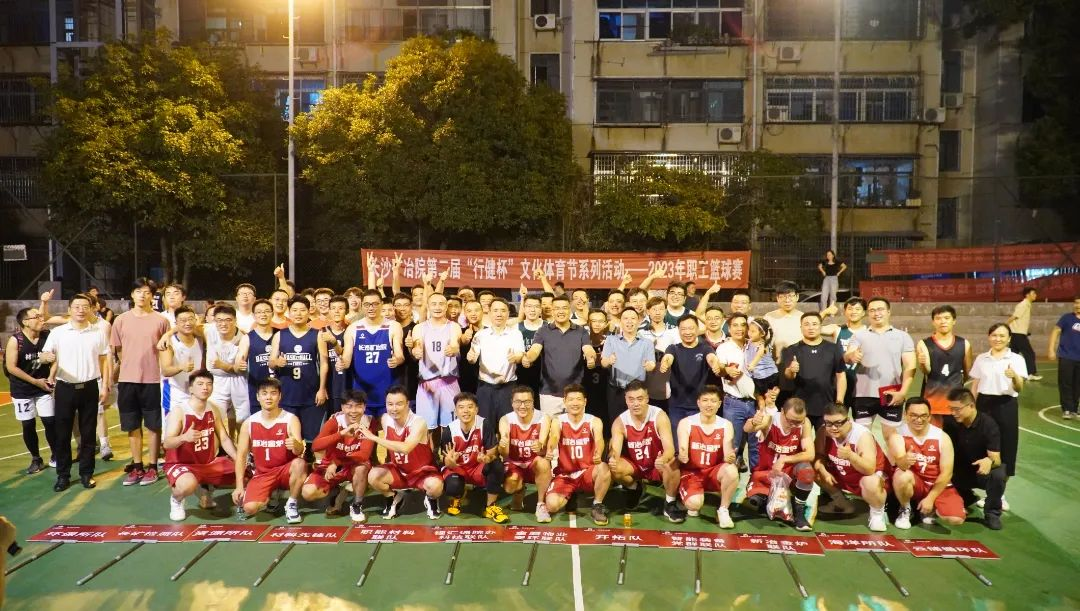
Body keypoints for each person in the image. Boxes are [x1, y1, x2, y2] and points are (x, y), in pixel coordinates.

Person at [42, 294, 112, 491]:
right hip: (65, 388)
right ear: (69, 309)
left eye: (85, 306)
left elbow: (104, 360)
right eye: (77, 306)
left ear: (91, 309)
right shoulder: (58, 332)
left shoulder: (98, 332)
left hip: (90, 387)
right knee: (62, 434)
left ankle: (86, 474)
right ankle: (63, 475)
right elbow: (46, 355)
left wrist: (105, 386)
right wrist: (45, 357)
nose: (81, 310)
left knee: (89, 433)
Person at [111, 278, 170, 486]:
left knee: (153, 425)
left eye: (147, 292)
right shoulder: (120, 320)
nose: (142, 295)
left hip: (153, 380)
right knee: (132, 425)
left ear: (152, 296)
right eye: (138, 291)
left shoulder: (161, 321)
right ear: (132, 294)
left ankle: (152, 466)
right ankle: (137, 466)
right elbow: (118, 350)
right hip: (127, 380)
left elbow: (165, 349)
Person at [163, 370, 238, 521]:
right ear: (190, 388)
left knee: (245, 474)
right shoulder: (180, 411)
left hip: (206, 463)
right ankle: (176, 500)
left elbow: (224, 438)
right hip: (181, 464)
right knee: (187, 485)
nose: (205, 387)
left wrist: (238, 459)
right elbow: (167, 442)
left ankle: (205, 489)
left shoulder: (213, 409)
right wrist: (184, 437)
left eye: (209, 384)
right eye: (200, 384)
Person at [607, 381, 685, 522]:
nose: (636, 403)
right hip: (635, 466)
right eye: (631, 399)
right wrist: (612, 458)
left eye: (640, 399)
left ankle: (670, 503)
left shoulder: (659, 416)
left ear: (647, 398)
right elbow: (615, 451)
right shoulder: (620, 422)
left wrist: (664, 458)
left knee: (672, 463)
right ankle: (634, 488)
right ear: (626, 400)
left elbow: (670, 448)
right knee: (613, 467)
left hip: (657, 464)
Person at [232, 378, 308, 523]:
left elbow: (299, 452)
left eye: (273, 393)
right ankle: (272, 494)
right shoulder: (249, 423)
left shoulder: (290, 419)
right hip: (263, 474)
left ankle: (292, 503)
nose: (268, 397)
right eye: (264, 393)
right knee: (250, 508)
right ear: (257, 397)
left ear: (280, 396)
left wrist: (296, 445)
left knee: (299, 464)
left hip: (285, 470)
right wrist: (239, 486)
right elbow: (241, 456)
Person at [968, 323, 1026, 511]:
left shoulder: (1016, 359)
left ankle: (999, 495)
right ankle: (987, 491)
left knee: (1006, 448)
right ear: (989, 337)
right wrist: (972, 406)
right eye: (994, 335)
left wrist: (1014, 376)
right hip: (983, 404)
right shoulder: (981, 359)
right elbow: (975, 384)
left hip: (1006, 405)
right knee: (982, 447)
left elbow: (1019, 388)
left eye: (1002, 336)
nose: (997, 339)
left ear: (1009, 338)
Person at [364, 385, 444, 520]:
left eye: (399, 404)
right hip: (399, 471)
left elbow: (406, 448)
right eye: (390, 404)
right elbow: (366, 422)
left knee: (435, 487)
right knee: (373, 476)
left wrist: (374, 438)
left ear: (407, 404)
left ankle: (431, 499)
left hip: (422, 473)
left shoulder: (418, 422)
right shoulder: (385, 419)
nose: (394, 408)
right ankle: (392, 497)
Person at [888, 397, 965, 529]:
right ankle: (906, 509)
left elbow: (947, 473)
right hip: (915, 483)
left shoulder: (942, 437)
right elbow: (900, 465)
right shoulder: (897, 435)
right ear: (906, 415)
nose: (919, 420)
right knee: (902, 475)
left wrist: (930, 498)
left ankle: (930, 507)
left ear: (929, 417)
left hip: (937, 484)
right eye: (914, 415)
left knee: (956, 519)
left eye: (923, 416)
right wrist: (905, 460)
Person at [302, 389, 377, 523]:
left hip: (353, 465)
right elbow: (315, 446)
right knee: (308, 493)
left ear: (364, 407)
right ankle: (336, 491)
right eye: (349, 406)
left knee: (362, 468)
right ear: (342, 407)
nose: (353, 411)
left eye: (358, 406)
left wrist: (336, 463)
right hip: (329, 465)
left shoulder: (369, 422)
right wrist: (341, 434)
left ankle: (357, 505)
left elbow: (364, 454)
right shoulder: (334, 422)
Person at [813, 402, 889, 532]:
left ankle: (877, 513)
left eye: (838, 423)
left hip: (867, 479)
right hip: (844, 475)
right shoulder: (823, 431)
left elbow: (870, 469)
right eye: (829, 423)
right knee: (812, 470)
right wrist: (822, 470)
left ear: (848, 420)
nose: (833, 428)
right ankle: (841, 503)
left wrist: (851, 456)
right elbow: (818, 455)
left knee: (870, 481)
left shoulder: (862, 435)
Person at [845, 297, 915, 434]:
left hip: (892, 393)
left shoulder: (902, 336)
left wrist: (903, 392)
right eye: (872, 310)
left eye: (880, 309)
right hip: (862, 394)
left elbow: (910, 367)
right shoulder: (859, 336)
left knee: (892, 438)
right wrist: (851, 356)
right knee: (862, 437)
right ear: (868, 313)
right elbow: (848, 356)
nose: (876, 313)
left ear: (888, 312)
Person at [743, 398, 816, 531]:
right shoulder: (770, 419)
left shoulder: (804, 423)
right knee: (757, 501)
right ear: (782, 411)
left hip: (789, 474)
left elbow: (810, 454)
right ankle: (767, 496)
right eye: (791, 420)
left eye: (798, 421)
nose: (794, 424)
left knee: (807, 472)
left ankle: (799, 512)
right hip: (767, 473)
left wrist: (784, 460)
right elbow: (747, 428)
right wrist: (754, 421)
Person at [544, 384, 611, 526]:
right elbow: (554, 436)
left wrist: (598, 452)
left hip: (587, 472)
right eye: (571, 399)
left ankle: (597, 505)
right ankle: (571, 494)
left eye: (579, 399)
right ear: (564, 401)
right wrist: (550, 448)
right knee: (552, 505)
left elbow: (599, 439)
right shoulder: (558, 421)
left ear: (585, 401)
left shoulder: (594, 420)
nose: (575, 403)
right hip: (565, 474)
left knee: (603, 468)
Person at [269, 296, 330, 448]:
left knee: (312, 439)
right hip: (287, 394)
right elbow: (270, 362)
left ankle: (310, 458)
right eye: (294, 310)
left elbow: (324, 363)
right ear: (289, 312)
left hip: (311, 394)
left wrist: (322, 389)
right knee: (289, 439)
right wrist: (277, 362)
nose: (298, 313)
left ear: (309, 312)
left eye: (302, 310)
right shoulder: (280, 335)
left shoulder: (317, 334)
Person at [521, 295, 597, 417]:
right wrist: (528, 358)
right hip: (549, 393)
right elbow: (534, 350)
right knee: (550, 427)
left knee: (575, 428)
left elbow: (588, 349)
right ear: (552, 311)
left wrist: (591, 358)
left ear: (570, 310)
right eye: (557, 308)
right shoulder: (543, 331)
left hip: (575, 393)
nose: (561, 311)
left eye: (564, 308)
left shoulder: (581, 331)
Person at [439, 392, 509, 524]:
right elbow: (445, 460)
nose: (466, 411)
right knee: (453, 486)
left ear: (476, 409)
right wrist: (451, 462)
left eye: (470, 407)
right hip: (458, 468)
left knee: (497, 465)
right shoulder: (449, 430)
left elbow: (492, 452)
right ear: (456, 411)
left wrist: (487, 458)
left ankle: (490, 506)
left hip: (477, 467)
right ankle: (457, 497)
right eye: (461, 407)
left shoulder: (484, 424)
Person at [943, 388, 1007, 530]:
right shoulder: (950, 422)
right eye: (951, 409)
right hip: (957, 471)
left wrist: (989, 461)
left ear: (971, 406)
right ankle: (966, 496)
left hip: (980, 472)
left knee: (998, 474)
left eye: (957, 409)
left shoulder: (988, 425)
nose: (953, 413)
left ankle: (992, 513)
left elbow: (996, 459)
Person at [676, 386, 739, 528]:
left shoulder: (726, 425)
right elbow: (682, 448)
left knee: (731, 470)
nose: (709, 404)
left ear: (719, 404)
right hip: (692, 472)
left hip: (713, 472)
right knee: (694, 505)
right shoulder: (686, 423)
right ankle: (688, 495)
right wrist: (682, 454)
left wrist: (730, 457)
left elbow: (728, 452)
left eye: (713, 401)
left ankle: (723, 510)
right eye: (705, 400)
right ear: (698, 402)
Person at [5, 307, 57, 474]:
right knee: (28, 424)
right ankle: (36, 459)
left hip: (44, 387)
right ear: (25, 322)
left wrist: (51, 377)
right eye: (37, 317)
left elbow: (56, 358)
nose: (41, 319)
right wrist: (35, 381)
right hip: (22, 389)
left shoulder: (47, 336)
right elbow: (11, 367)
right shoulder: (16, 340)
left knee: (50, 422)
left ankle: (56, 455)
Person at [338, 289, 405, 418]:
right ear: (362, 305)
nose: (371, 308)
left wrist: (396, 360)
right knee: (362, 429)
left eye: (375, 304)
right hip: (361, 392)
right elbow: (346, 359)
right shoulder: (353, 328)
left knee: (387, 427)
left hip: (387, 390)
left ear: (381, 304)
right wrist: (341, 364)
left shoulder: (393, 326)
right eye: (367, 304)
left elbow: (400, 355)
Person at [659, 314, 722, 440]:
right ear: (679, 331)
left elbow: (711, 357)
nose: (687, 332)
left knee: (698, 442)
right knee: (678, 442)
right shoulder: (673, 348)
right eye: (683, 329)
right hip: (677, 405)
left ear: (697, 329)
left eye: (691, 328)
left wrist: (715, 364)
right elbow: (668, 358)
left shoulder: (705, 348)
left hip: (700, 406)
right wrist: (665, 364)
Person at [780, 312, 847, 431]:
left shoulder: (833, 348)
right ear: (801, 328)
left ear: (820, 326)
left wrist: (839, 401)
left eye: (814, 324)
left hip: (826, 405)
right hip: (800, 407)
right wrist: (791, 370)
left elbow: (841, 376)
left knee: (825, 440)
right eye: (806, 324)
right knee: (801, 440)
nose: (811, 327)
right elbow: (788, 375)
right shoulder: (792, 349)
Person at [499, 386, 554, 522]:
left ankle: (541, 504)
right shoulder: (505, 420)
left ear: (533, 402)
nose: (522, 406)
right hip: (515, 463)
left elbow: (542, 443)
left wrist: (540, 444)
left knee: (543, 463)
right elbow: (504, 453)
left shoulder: (543, 417)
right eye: (518, 402)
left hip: (534, 463)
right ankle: (519, 491)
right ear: (512, 403)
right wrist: (503, 444)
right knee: (509, 487)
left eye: (527, 402)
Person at [468, 298, 525, 425]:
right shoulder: (480, 335)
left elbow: (520, 355)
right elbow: (472, 357)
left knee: (508, 426)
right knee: (485, 426)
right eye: (495, 310)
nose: (499, 314)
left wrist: (516, 358)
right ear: (489, 313)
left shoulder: (516, 334)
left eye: (503, 310)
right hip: (485, 388)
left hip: (508, 387)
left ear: (508, 313)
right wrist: (471, 358)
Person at [714, 314, 758, 471]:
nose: (739, 329)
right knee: (732, 445)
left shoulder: (755, 346)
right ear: (729, 328)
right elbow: (719, 369)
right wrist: (726, 369)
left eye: (743, 325)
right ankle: (729, 479)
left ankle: (756, 482)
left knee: (757, 446)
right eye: (735, 325)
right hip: (733, 402)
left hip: (756, 403)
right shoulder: (724, 348)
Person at [600, 307, 655, 430]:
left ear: (639, 321)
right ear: (620, 322)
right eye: (625, 318)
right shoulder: (611, 340)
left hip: (638, 392)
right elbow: (603, 363)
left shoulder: (647, 343)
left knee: (638, 426)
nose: (629, 321)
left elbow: (651, 364)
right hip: (616, 390)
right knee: (616, 425)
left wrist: (650, 366)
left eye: (633, 318)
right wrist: (609, 361)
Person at [917, 305, 972, 422]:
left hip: (957, 403)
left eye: (947, 318)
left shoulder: (964, 344)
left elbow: (967, 373)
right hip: (932, 402)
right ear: (933, 322)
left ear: (954, 321)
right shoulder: (924, 343)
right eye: (938, 318)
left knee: (956, 434)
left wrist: (956, 383)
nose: (942, 321)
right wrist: (922, 364)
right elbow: (926, 371)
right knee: (933, 434)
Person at [158, 307, 204, 442]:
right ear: (176, 323)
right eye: (183, 320)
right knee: (172, 430)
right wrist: (180, 367)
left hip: (195, 392)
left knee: (195, 429)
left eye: (190, 319)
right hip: (174, 392)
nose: (187, 323)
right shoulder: (169, 343)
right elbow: (165, 370)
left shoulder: (200, 338)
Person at [234, 299, 278, 437]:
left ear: (272, 313)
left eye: (267, 311)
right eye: (259, 312)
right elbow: (238, 363)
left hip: (280, 387)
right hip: (257, 389)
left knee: (280, 425)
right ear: (253, 315)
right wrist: (239, 365)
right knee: (260, 426)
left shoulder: (281, 334)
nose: (263, 314)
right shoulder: (248, 338)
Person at [204, 304, 250, 429]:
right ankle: (221, 442)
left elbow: (238, 369)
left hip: (239, 380)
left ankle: (242, 442)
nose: (223, 324)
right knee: (214, 416)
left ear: (235, 320)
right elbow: (186, 327)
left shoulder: (244, 338)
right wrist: (167, 335)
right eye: (219, 320)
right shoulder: (208, 330)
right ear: (214, 321)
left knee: (242, 419)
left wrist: (221, 365)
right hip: (217, 380)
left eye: (228, 320)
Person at [822, 296, 867, 408]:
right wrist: (825, 312)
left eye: (857, 309)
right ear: (845, 312)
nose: (853, 312)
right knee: (838, 415)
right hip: (839, 382)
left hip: (861, 382)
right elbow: (814, 327)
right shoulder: (837, 329)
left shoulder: (869, 332)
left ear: (863, 313)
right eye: (850, 309)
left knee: (861, 417)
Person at [1047, 296, 1080, 419]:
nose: (1078, 306)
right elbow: (1055, 332)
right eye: (1076, 303)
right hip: (1067, 356)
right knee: (1065, 383)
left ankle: (1074, 409)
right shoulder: (1066, 318)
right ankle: (1067, 409)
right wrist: (1051, 349)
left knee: (1077, 385)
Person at [321, 295, 351, 421]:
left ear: (347, 311)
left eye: (341, 308)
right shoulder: (323, 332)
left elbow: (343, 354)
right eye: (333, 308)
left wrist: (334, 342)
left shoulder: (351, 330)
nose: (337, 311)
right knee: (333, 421)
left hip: (349, 383)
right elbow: (323, 362)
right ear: (329, 311)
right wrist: (322, 388)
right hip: (332, 385)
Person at [1006, 287, 1041, 380]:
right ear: (1027, 295)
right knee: (1029, 353)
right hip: (1018, 334)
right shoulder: (1023, 305)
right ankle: (1030, 373)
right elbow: (1014, 317)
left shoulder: (1027, 305)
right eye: (1033, 293)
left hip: (1017, 333)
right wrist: (1004, 326)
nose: (1035, 295)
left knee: (1012, 354)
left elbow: (1019, 320)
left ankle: (1005, 371)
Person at [763, 281, 804, 361]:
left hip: (799, 360)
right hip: (775, 360)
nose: (787, 300)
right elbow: (762, 341)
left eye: (790, 296)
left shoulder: (803, 317)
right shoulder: (769, 317)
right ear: (777, 298)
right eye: (783, 296)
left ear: (797, 297)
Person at [516, 294, 544, 404]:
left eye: (536, 306)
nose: (532, 310)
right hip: (521, 374)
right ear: (523, 308)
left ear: (541, 309)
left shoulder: (548, 327)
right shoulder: (516, 328)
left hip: (544, 375)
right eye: (529, 306)